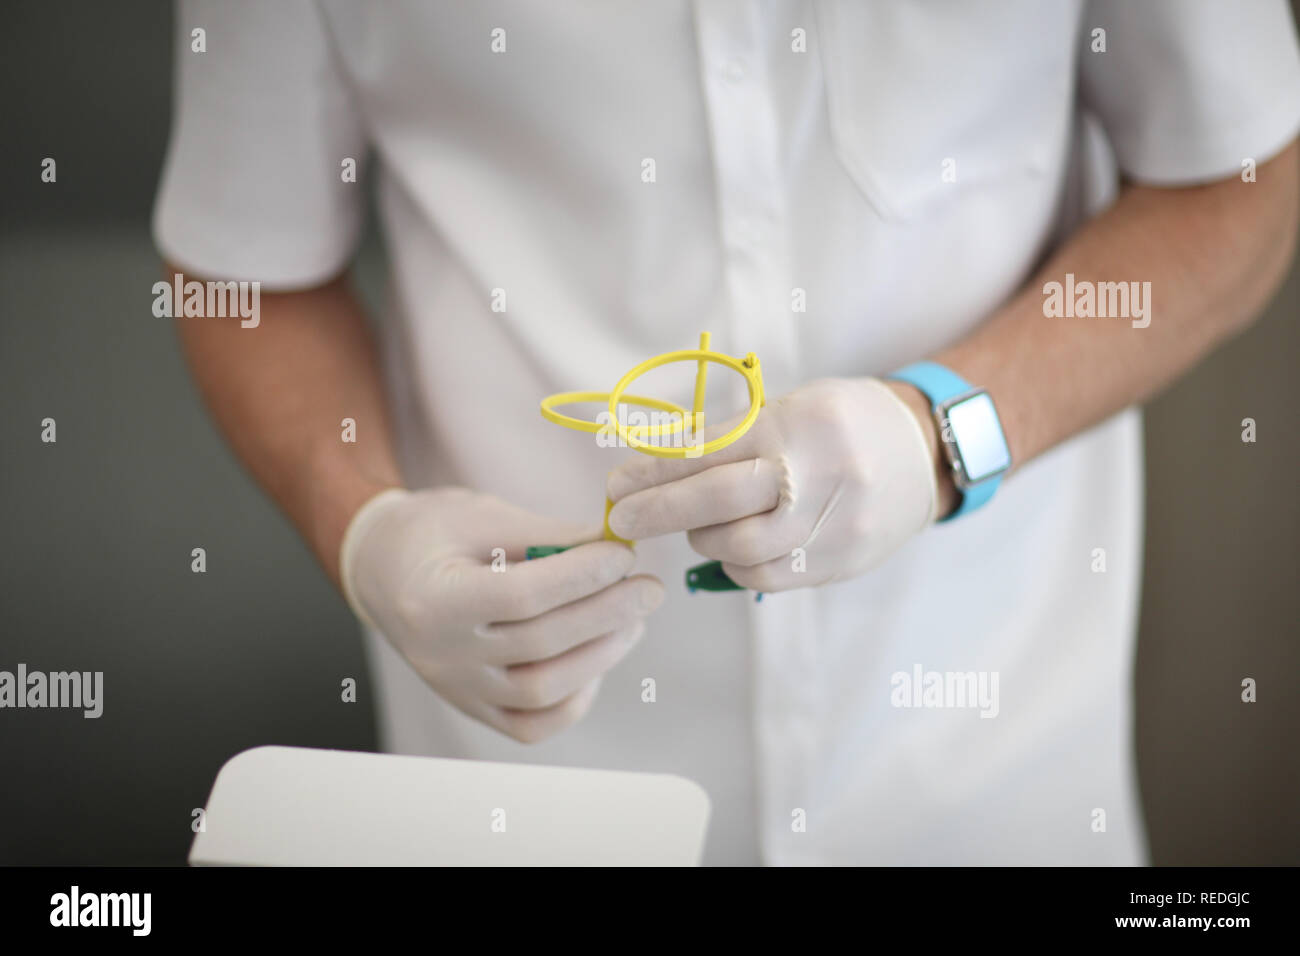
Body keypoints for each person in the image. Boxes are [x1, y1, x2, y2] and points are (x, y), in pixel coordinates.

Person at [154, 0, 1300, 865]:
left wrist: (945, 433)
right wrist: (368, 530)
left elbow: (1245, 173)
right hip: (525, 796)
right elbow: (243, 259)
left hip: (997, 777)